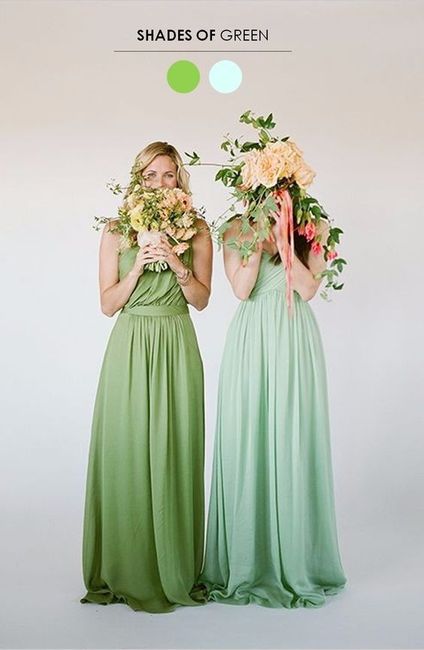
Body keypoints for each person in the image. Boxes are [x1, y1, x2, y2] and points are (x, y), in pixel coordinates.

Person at [80, 142, 213, 613]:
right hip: (131, 343)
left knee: (174, 448)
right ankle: (126, 565)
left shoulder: (197, 229)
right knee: (128, 448)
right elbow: (107, 304)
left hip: (176, 341)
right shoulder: (116, 231)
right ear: (138, 180)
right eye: (151, 175)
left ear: (180, 181)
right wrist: (139, 262)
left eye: (169, 175)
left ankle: (174, 566)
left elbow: (201, 300)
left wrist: (175, 260)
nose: (160, 183)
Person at [200, 215, 347, 608]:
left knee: (292, 435)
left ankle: (298, 561)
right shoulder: (234, 229)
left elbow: (309, 288)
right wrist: (257, 244)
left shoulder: (314, 225)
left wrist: (284, 240)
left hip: (294, 332)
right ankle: (247, 559)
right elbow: (242, 290)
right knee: (247, 434)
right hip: (251, 336)